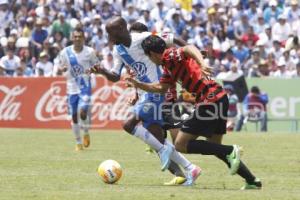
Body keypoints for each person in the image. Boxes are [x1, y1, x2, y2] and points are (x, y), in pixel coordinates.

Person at [126, 35, 262, 190]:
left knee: (180, 144)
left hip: (209, 100)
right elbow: (161, 88)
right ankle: (252, 180)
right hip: (219, 98)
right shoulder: (167, 67)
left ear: (152, 54)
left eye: (148, 56)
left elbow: (188, 48)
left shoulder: (169, 55)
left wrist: (202, 63)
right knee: (214, 146)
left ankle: (231, 150)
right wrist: (138, 84)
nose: (150, 60)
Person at [90, 17, 201, 186]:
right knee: (157, 137)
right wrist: (102, 71)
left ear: (121, 29)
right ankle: (190, 167)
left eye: (110, 32)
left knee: (129, 125)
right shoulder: (118, 50)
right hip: (145, 94)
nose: (108, 36)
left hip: (157, 90)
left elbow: (174, 38)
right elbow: (115, 76)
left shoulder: (142, 38)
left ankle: (167, 150)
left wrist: (194, 57)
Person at [56, 27, 98, 151]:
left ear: (84, 38)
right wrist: (62, 69)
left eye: (80, 36)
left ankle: (85, 131)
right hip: (71, 88)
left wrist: (92, 70)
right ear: (72, 38)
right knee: (74, 116)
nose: (78, 39)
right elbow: (60, 66)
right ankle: (78, 142)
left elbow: (97, 65)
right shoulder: (65, 52)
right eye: (75, 37)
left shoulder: (89, 51)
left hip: (85, 86)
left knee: (83, 112)